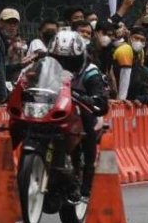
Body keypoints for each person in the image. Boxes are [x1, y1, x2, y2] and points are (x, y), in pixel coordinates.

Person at [47, 31, 109, 204]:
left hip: (83, 112)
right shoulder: (45, 67)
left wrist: (90, 99)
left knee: (88, 121)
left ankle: (87, 185)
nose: (63, 65)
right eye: (59, 60)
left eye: (69, 60)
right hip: (52, 110)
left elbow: (101, 100)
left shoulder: (91, 71)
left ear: (80, 57)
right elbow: (29, 79)